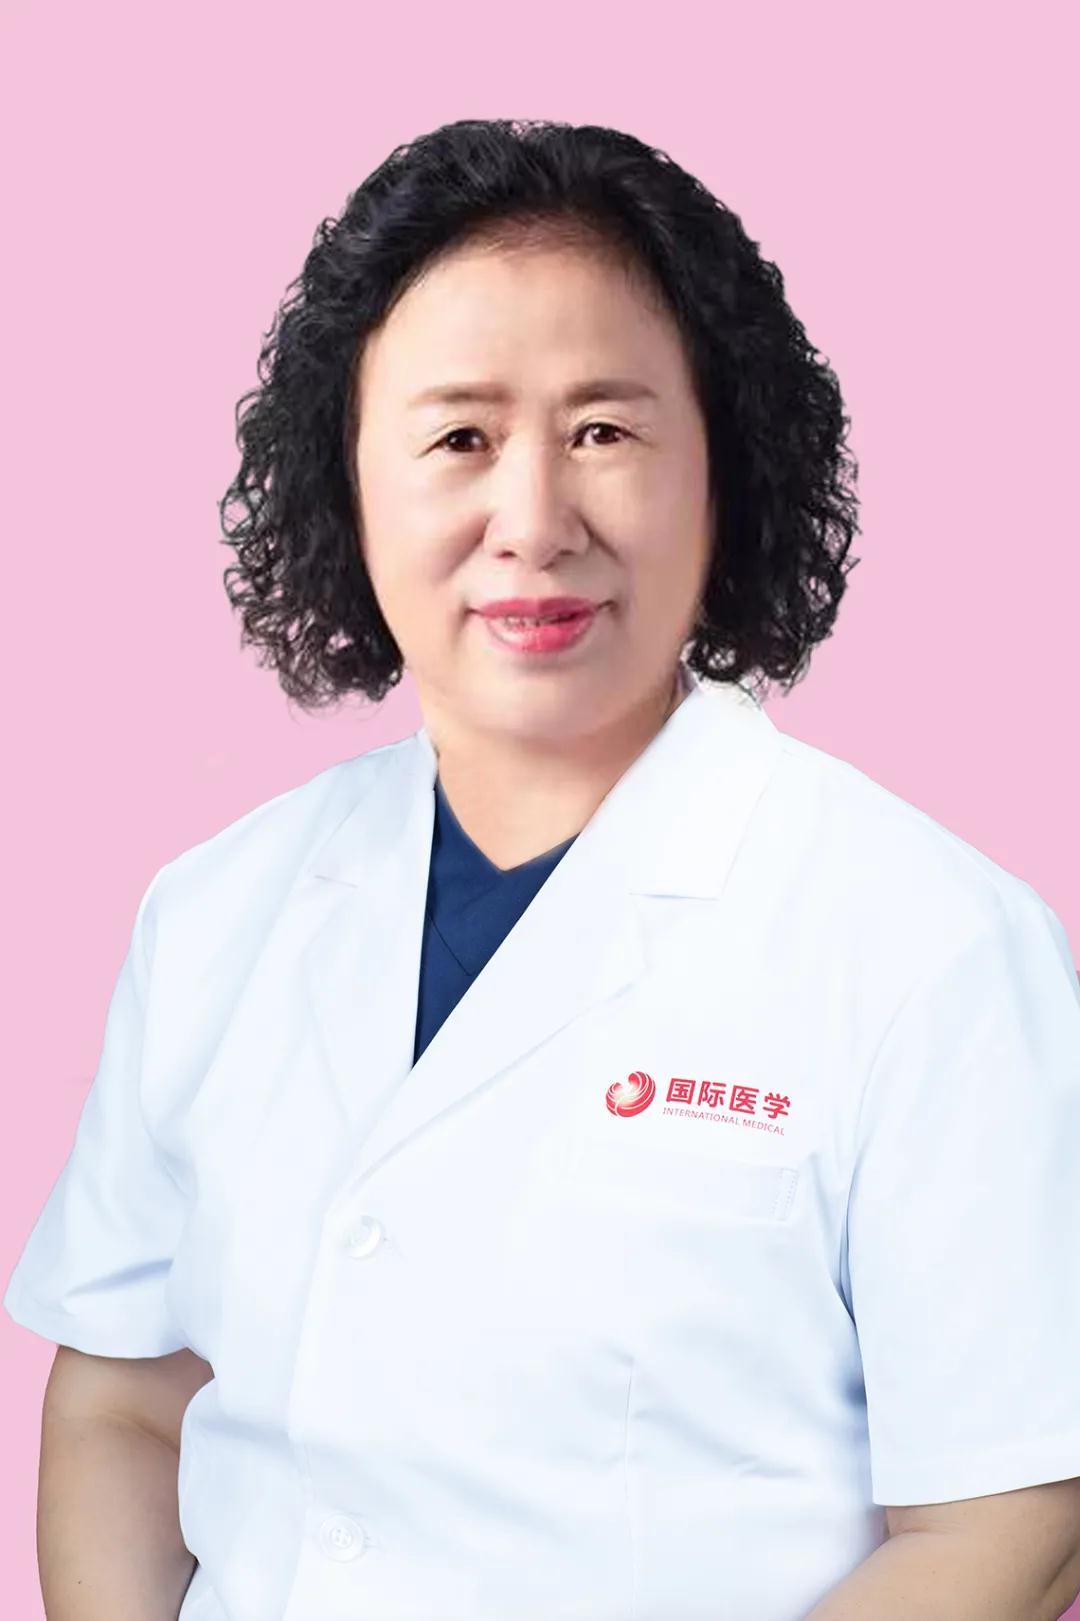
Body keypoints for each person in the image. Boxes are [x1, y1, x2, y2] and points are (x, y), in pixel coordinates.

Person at [5, 117, 1080, 1621]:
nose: (533, 522)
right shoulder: (214, 910)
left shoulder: (930, 942)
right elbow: (124, 1402)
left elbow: (1009, 1518)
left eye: (604, 434)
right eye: (460, 438)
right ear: (349, 482)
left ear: (724, 471)